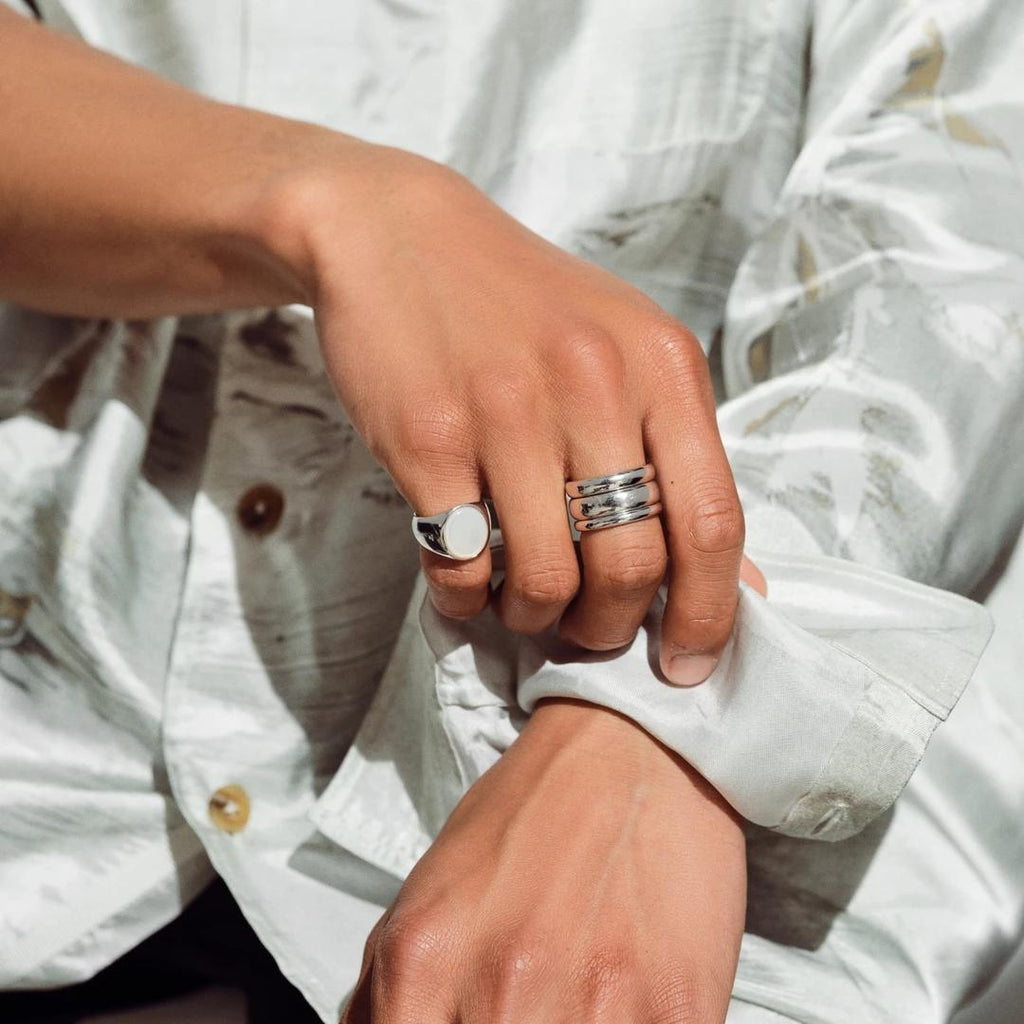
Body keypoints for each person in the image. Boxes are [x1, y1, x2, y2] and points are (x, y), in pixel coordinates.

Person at [0, 2, 1021, 1022]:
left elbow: (959, 224)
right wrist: (343, 212)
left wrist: (678, 720)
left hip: (619, 840)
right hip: (54, 766)